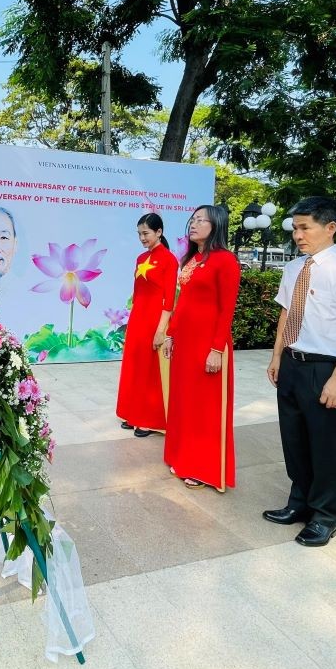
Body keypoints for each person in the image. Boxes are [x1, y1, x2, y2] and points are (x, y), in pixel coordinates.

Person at [263, 197, 336, 546]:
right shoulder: (294, 268)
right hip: (293, 363)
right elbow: (285, 314)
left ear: (330, 227)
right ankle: (299, 504)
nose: (298, 235)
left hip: (325, 368)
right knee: (294, 441)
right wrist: (277, 356)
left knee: (326, 446)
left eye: (305, 227)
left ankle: (325, 516)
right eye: (295, 228)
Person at [161, 205, 240, 490]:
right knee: (185, 402)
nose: (193, 225)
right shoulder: (192, 259)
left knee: (206, 408)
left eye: (200, 220)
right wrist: (170, 334)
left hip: (208, 344)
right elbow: (183, 303)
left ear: (215, 224)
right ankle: (182, 457)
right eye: (192, 220)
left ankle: (205, 469)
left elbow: (226, 309)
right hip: (185, 341)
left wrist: (216, 349)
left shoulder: (225, 260)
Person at [116, 213, 177, 438]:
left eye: (146, 233)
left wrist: (161, 330)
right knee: (134, 367)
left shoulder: (169, 260)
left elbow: (169, 299)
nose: (142, 238)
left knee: (150, 371)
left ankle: (148, 420)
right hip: (137, 319)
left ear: (159, 232)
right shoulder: (141, 258)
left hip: (155, 321)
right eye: (139, 234)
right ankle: (132, 414)